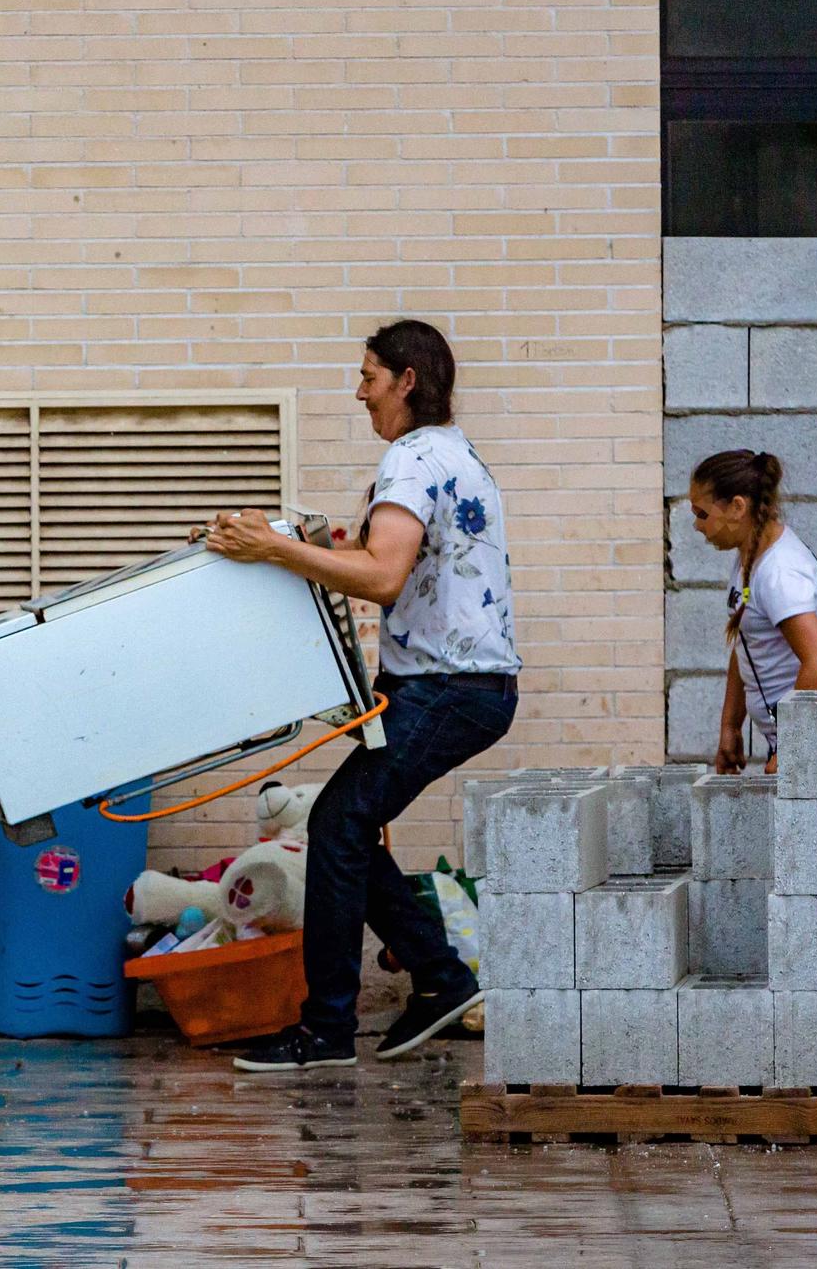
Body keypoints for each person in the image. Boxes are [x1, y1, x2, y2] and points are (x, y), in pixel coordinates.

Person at [202, 319, 519, 1072]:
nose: (359, 389)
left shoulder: (408, 459)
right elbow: (380, 557)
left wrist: (275, 548)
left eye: (369, 376)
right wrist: (282, 544)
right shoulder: (452, 452)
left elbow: (381, 575)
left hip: (448, 685)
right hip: (461, 685)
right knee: (349, 828)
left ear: (407, 381)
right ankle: (440, 980)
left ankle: (327, 1030)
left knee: (341, 824)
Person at [687, 449, 817, 773]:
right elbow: (749, 642)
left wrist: (792, 746)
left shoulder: (780, 573)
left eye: (702, 513)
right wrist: (731, 726)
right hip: (801, 738)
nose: (696, 525)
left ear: (737, 507)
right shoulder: (752, 554)